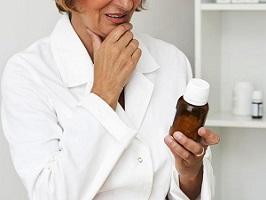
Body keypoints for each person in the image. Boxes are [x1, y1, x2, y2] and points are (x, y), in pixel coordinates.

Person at [1, 0, 220, 199]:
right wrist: (103, 93)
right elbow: (51, 194)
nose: (127, 4)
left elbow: (186, 189)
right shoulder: (28, 73)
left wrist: (190, 175)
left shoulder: (172, 60)